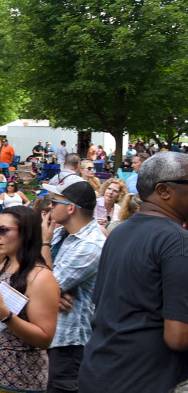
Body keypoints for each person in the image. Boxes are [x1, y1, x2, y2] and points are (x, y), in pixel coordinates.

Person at [79, 152, 188, 393]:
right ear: (163, 190)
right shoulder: (178, 241)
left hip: (99, 372)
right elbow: (178, 336)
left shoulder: (119, 232)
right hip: (145, 379)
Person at [0, 207, 60, 393]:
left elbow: (44, 339)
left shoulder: (40, 277)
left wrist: (5, 314)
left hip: (20, 376)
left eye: (3, 230)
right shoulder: (6, 264)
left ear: (25, 233)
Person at [39, 175, 104, 393]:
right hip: (47, 338)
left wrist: (45, 243)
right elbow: (26, 274)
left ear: (71, 208)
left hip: (67, 346)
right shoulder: (62, 233)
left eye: (55, 201)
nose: (50, 205)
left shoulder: (91, 246)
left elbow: (44, 288)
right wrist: (50, 295)